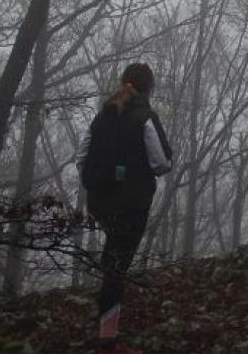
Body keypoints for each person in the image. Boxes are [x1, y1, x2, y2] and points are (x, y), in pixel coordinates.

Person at [80, 61, 172, 353]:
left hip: (100, 203)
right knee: (116, 268)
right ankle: (107, 337)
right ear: (148, 88)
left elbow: (82, 160)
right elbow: (161, 163)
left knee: (113, 260)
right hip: (132, 205)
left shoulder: (101, 117)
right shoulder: (145, 117)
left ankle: (105, 325)